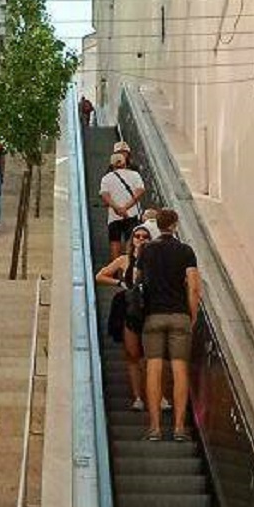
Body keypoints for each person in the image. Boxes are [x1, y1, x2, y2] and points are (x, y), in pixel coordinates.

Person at [141, 208, 200, 442]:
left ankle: (155, 427)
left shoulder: (147, 250)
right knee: (179, 369)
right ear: (175, 225)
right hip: (179, 316)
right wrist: (191, 316)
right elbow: (194, 288)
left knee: (153, 370)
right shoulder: (185, 251)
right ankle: (178, 428)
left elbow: (137, 281)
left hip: (153, 316)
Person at [96, 223, 151, 409]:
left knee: (152, 356)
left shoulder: (154, 259)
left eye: (145, 237)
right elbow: (100, 276)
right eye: (138, 236)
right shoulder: (124, 260)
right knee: (132, 355)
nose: (141, 239)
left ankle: (158, 396)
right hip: (130, 309)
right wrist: (119, 282)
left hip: (150, 311)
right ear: (132, 240)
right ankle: (138, 397)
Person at [99, 150, 145, 260]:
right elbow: (140, 191)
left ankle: (117, 271)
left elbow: (104, 195)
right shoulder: (135, 175)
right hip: (132, 215)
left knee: (115, 243)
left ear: (112, 164)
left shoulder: (106, 178)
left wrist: (117, 208)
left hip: (114, 217)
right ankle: (129, 269)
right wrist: (126, 207)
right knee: (131, 242)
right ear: (125, 162)